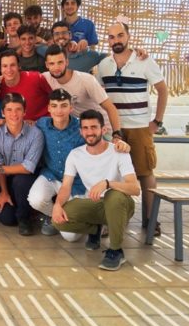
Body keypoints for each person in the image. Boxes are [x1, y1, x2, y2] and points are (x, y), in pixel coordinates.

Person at [96, 22, 168, 234]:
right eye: (111, 37)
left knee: (145, 173)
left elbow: (163, 90)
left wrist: (157, 121)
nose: (116, 40)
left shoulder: (144, 61)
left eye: (120, 35)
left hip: (139, 128)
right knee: (114, 175)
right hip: (113, 129)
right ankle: (116, 218)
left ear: (128, 36)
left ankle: (151, 220)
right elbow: (98, 93)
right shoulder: (104, 65)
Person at [28, 89, 130, 236]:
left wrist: (120, 144)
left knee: (71, 237)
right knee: (35, 199)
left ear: (71, 108)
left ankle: (88, 224)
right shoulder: (42, 124)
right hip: (51, 175)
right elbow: (22, 125)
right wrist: (3, 121)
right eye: (54, 106)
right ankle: (54, 216)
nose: (59, 110)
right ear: (49, 108)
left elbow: (100, 142)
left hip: (75, 182)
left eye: (64, 106)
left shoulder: (81, 128)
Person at [52, 110, 140, 271]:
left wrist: (107, 183)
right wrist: (57, 205)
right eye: (85, 128)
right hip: (96, 204)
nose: (90, 132)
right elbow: (66, 186)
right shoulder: (75, 155)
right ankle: (96, 229)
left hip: (121, 205)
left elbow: (135, 189)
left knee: (114, 196)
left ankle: (116, 251)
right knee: (58, 218)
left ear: (103, 129)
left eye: (94, 127)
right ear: (81, 131)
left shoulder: (118, 152)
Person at [0, 93, 44, 235]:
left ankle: (24, 218)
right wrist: (4, 192)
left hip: (28, 178)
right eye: (9, 110)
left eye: (18, 109)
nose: (14, 114)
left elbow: (28, 168)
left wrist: (0, 169)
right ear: (2, 113)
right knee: (7, 219)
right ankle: (22, 207)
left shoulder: (36, 134)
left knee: (20, 181)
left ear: (24, 112)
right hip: (7, 178)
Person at [43, 45, 122, 136]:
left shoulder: (86, 80)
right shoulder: (45, 78)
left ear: (67, 62)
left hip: (103, 129)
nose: (56, 67)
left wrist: (116, 134)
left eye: (60, 62)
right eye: (52, 63)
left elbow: (110, 107)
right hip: (81, 130)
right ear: (47, 65)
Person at [0, 49, 52, 122]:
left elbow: (55, 98)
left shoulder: (35, 78)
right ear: (0, 69)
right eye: (5, 66)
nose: (9, 69)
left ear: (19, 66)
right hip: (19, 126)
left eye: (12, 65)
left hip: (46, 123)